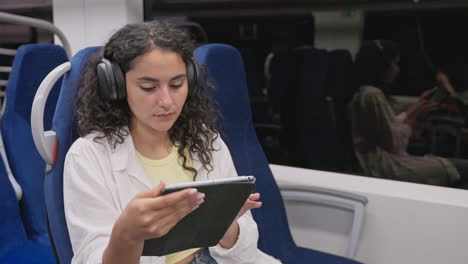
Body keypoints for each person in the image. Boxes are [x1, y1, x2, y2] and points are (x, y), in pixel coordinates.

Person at [63, 20, 282, 264]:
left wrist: (227, 226)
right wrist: (127, 234)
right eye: (148, 87)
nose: (167, 101)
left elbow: (247, 254)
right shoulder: (88, 156)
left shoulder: (205, 139)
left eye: (177, 84)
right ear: (116, 86)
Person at [350, 39, 468, 186]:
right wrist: (414, 116)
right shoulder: (372, 95)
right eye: (395, 63)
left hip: (385, 158)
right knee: (461, 168)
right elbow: (394, 144)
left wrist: (416, 107)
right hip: (383, 165)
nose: (397, 69)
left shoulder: (364, 93)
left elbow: (387, 129)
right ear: (382, 66)